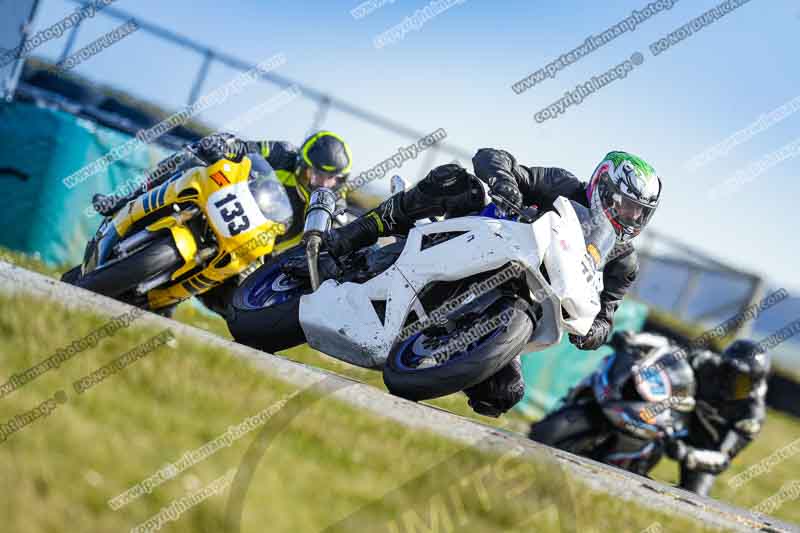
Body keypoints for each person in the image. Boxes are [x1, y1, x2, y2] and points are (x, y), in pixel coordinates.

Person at [309, 149, 662, 416]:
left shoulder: (623, 261)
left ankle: (439, 351)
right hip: (479, 241)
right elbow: (493, 157)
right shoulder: (563, 185)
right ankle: (351, 236)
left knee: (504, 393)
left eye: (639, 213)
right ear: (603, 186)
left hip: (527, 302)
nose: (630, 216)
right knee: (455, 181)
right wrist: (506, 183)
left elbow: (606, 315)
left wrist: (592, 332)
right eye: (625, 205)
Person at [91, 130, 353, 315]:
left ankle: (168, 301)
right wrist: (224, 145)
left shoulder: (332, 206)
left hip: (258, 252)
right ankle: (123, 199)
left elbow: (340, 236)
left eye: (330, 179)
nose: (320, 183)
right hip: (233, 204)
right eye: (315, 174)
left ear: (340, 182)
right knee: (191, 159)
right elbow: (245, 148)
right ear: (302, 164)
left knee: (242, 306)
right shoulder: (284, 152)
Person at [664, 339, 769, 496]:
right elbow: (669, 355)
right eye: (728, 371)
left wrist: (687, 454)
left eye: (742, 380)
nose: (731, 381)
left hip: (703, 450)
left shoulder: (753, 415)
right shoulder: (703, 362)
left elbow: (722, 458)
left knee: (693, 499)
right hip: (669, 425)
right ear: (721, 363)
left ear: (755, 382)